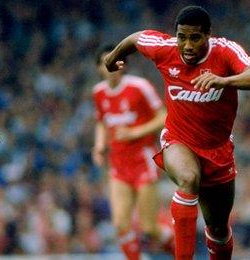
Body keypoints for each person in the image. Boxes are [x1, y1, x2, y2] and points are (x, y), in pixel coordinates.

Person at [104, 6, 250, 259]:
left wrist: (224, 81)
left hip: (218, 150)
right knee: (188, 178)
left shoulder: (225, 51)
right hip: (178, 140)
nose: (187, 45)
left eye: (195, 38)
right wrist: (113, 57)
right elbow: (136, 38)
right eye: (182, 37)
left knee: (218, 228)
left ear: (208, 35)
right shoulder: (165, 49)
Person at [92, 44, 171, 259]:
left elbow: (163, 116)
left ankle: (179, 249)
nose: (111, 67)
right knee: (120, 224)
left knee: (148, 227)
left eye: (116, 63)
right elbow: (101, 122)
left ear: (124, 66)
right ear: (99, 68)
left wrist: (134, 132)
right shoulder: (98, 93)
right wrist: (99, 146)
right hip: (118, 164)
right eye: (105, 63)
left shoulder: (139, 87)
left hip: (143, 159)